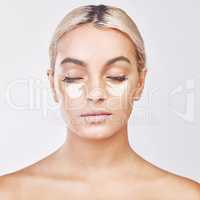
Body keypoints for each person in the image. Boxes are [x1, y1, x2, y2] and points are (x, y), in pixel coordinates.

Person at [0, 4, 199, 199]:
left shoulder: (186, 195)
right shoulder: (8, 193)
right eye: (73, 77)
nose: (95, 94)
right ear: (53, 84)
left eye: (116, 76)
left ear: (140, 83)